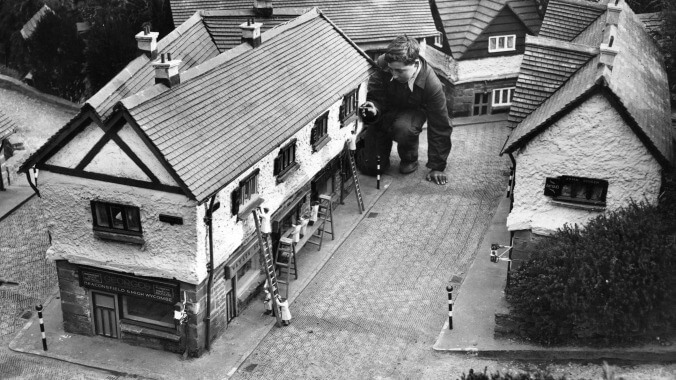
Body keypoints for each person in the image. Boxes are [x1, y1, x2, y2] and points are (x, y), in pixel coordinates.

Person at [357, 35, 452, 185]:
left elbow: (440, 126)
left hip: (412, 113)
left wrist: (437, 167)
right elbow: (375, 94)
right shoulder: (383, 63)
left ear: (415, 63)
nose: (394, 75)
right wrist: (374, 108)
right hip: (385, 111)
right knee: (372, 168)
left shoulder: (432, 85)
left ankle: (409, 157)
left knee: (404, 128)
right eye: (391, 70)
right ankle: (369, 145)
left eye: (400, 71)